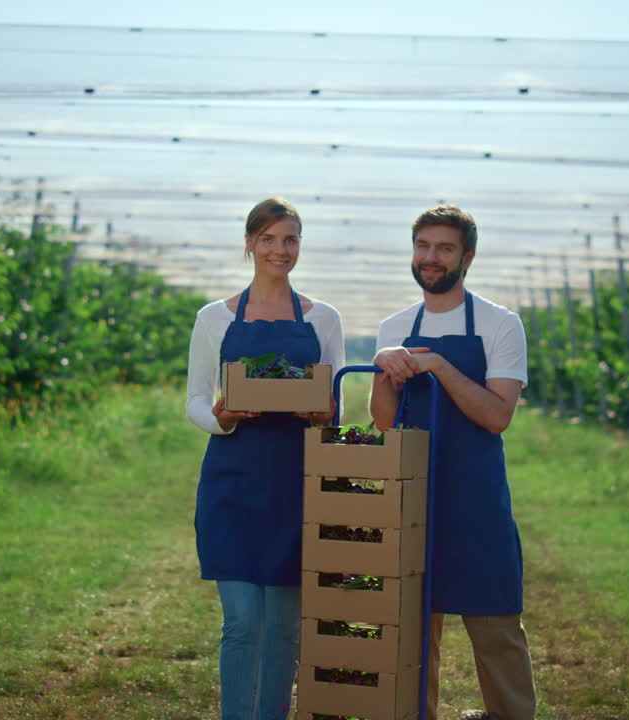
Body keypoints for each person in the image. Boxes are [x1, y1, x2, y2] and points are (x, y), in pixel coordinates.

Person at [369, 205, 536, 720]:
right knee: (415, 633)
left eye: (444, 248)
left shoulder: (499, 324)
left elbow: (496, 415)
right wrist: (383, 370)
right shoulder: (394, 327)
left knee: (496, 627)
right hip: (413, 496)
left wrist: (438, 366)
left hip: (476, 497)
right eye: (422, 246)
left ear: (468, 256)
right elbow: (382, 420)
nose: (431, 258)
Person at [185, 197, 345, 720]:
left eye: (291, 239)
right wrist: (225, 414)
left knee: (282, 627)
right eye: (270, 239)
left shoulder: (323, 319)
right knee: (243, 621)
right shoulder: (214, 318)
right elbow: (195, 401)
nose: (281, 250)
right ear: (251, 243)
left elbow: (334, 404)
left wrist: (320, 416)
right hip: (232, 482)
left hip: (296, 483)